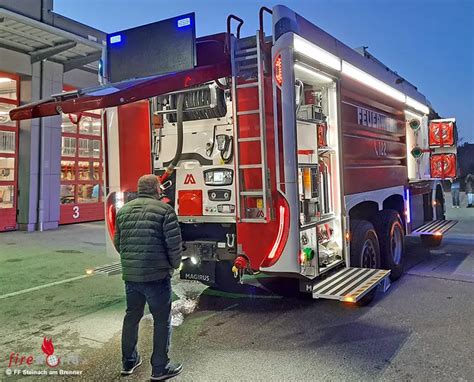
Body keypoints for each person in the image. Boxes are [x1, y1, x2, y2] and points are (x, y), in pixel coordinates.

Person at [114, 174, 183, 380]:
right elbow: (174, 244)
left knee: (132, 316)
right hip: (157, 276)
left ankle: (129, 361)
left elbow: (119, 243)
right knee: (162, 321)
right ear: (157, 189)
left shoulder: (123, 211)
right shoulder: (164, 210)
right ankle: (160, 368)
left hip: (132, 277)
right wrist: (174, 265)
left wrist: (132, 262)